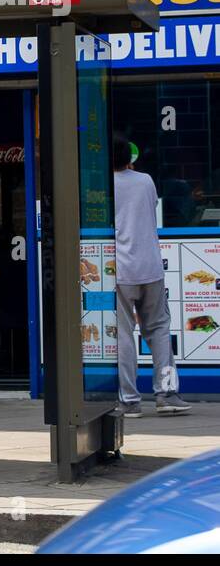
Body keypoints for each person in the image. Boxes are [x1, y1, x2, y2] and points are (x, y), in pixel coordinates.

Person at [113, 135, 191, 417]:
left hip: (120, 271)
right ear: (129, 159)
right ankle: (167, 393)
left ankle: (130, 400)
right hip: (151, 268)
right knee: (158, 330)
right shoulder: (145, 180)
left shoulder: (101, 187)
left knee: (123, 335)